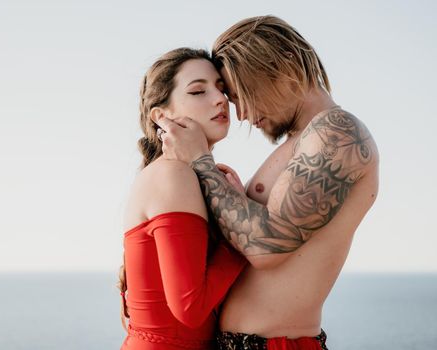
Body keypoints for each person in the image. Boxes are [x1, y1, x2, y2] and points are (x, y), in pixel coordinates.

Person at [157, 16, 379, 349]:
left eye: (242, 94)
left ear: (283, 65)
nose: (242, 114)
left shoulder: (338, 133)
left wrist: (200, 162)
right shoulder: (302, 140)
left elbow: (266, 247)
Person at [118, 48, 247, 350]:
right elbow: (190, 308)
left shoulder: (184, 175)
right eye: (198, 91)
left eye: (221, 88)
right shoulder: (172, 175)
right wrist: (242, 229)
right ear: (161, 116)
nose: (219, 99)